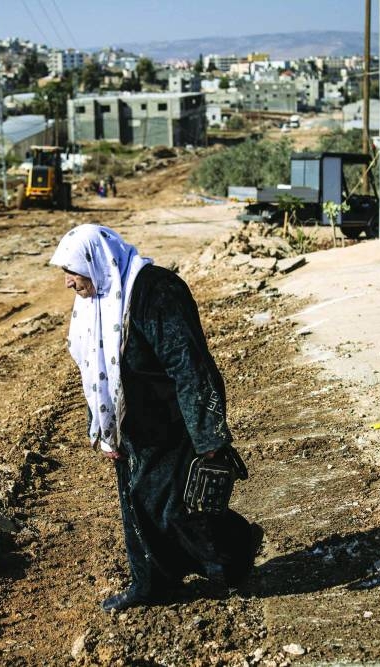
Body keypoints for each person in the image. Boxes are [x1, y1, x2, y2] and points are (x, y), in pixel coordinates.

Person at [49, 223, 263, 612]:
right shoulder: (95, 302)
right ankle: (151, 584)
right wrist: (104, 433)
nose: (68, 281)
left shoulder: (155, 291)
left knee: (176, 509)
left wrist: (209, 436)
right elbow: (94, 375)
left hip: (173, 426)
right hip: (131, 429)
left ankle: (236, 550)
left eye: (73, 269)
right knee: (137, 510)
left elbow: (189, 364)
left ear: (97, 261)